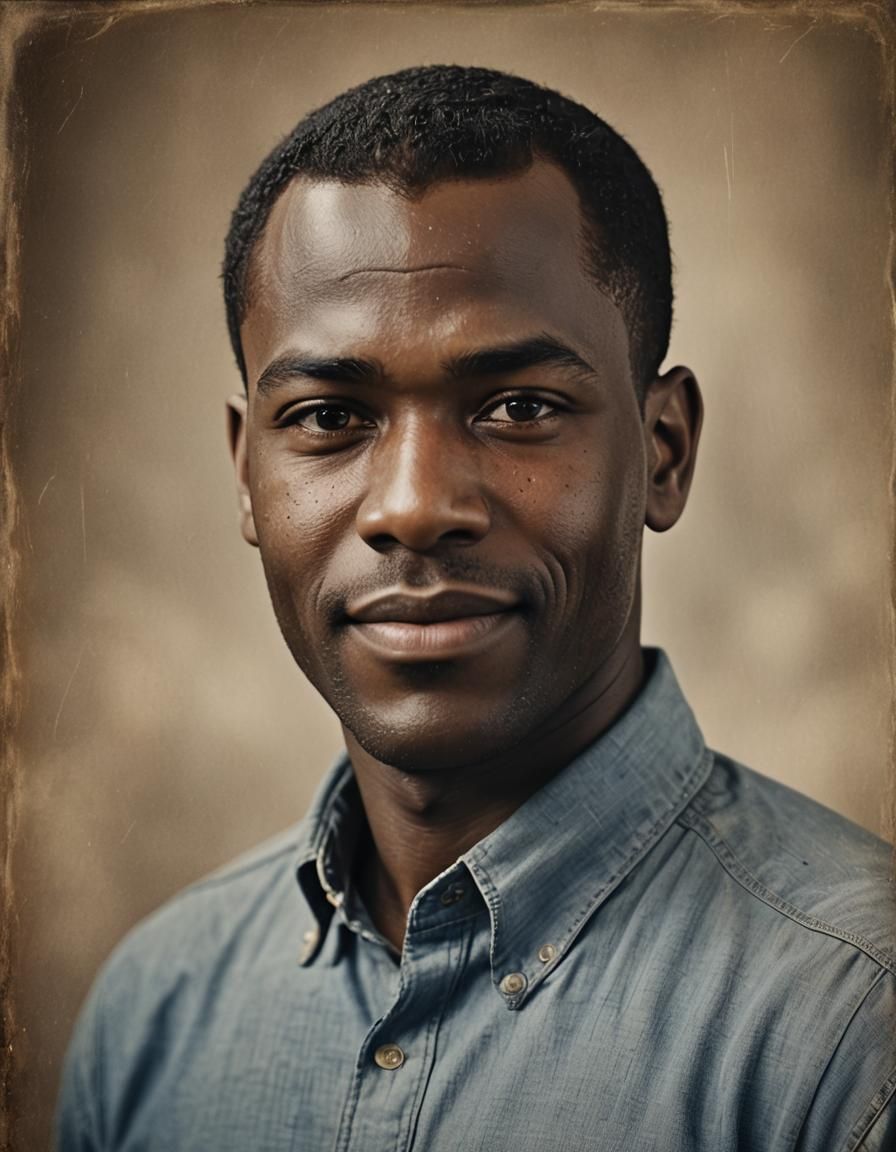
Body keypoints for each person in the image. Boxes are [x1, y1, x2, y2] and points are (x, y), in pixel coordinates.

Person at [56, 64, 895, 1152]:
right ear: (245, 476)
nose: (412, 507)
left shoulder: (851, 1030)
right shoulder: (152, 1019)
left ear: (662, 452)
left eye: (517, 406)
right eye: (327, 416)